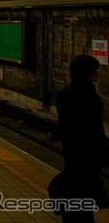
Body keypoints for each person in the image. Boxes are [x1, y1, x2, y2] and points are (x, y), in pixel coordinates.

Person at [54, 55, 109, 222]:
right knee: (84, 196)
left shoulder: (65, 93)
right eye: (96, 72)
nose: (98, 75)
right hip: (88, 156)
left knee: (73, 193)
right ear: (88, 74)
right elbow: (95, 130)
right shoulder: (89, 97)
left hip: (71, 153)